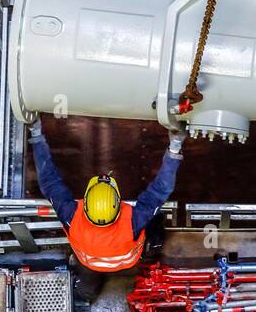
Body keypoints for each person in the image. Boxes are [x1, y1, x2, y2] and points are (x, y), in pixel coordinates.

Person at [29, 118, 187, 300]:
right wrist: (174, 148)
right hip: (129, 262)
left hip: (90, 264)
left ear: (86, 203)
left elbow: (49, 182)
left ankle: (86, 294)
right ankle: (154, 249)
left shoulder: (71, 217)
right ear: (118, 203)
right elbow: (161, 189)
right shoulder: (132, 223)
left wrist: (36, 136)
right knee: (155, 217)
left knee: (87, 284)